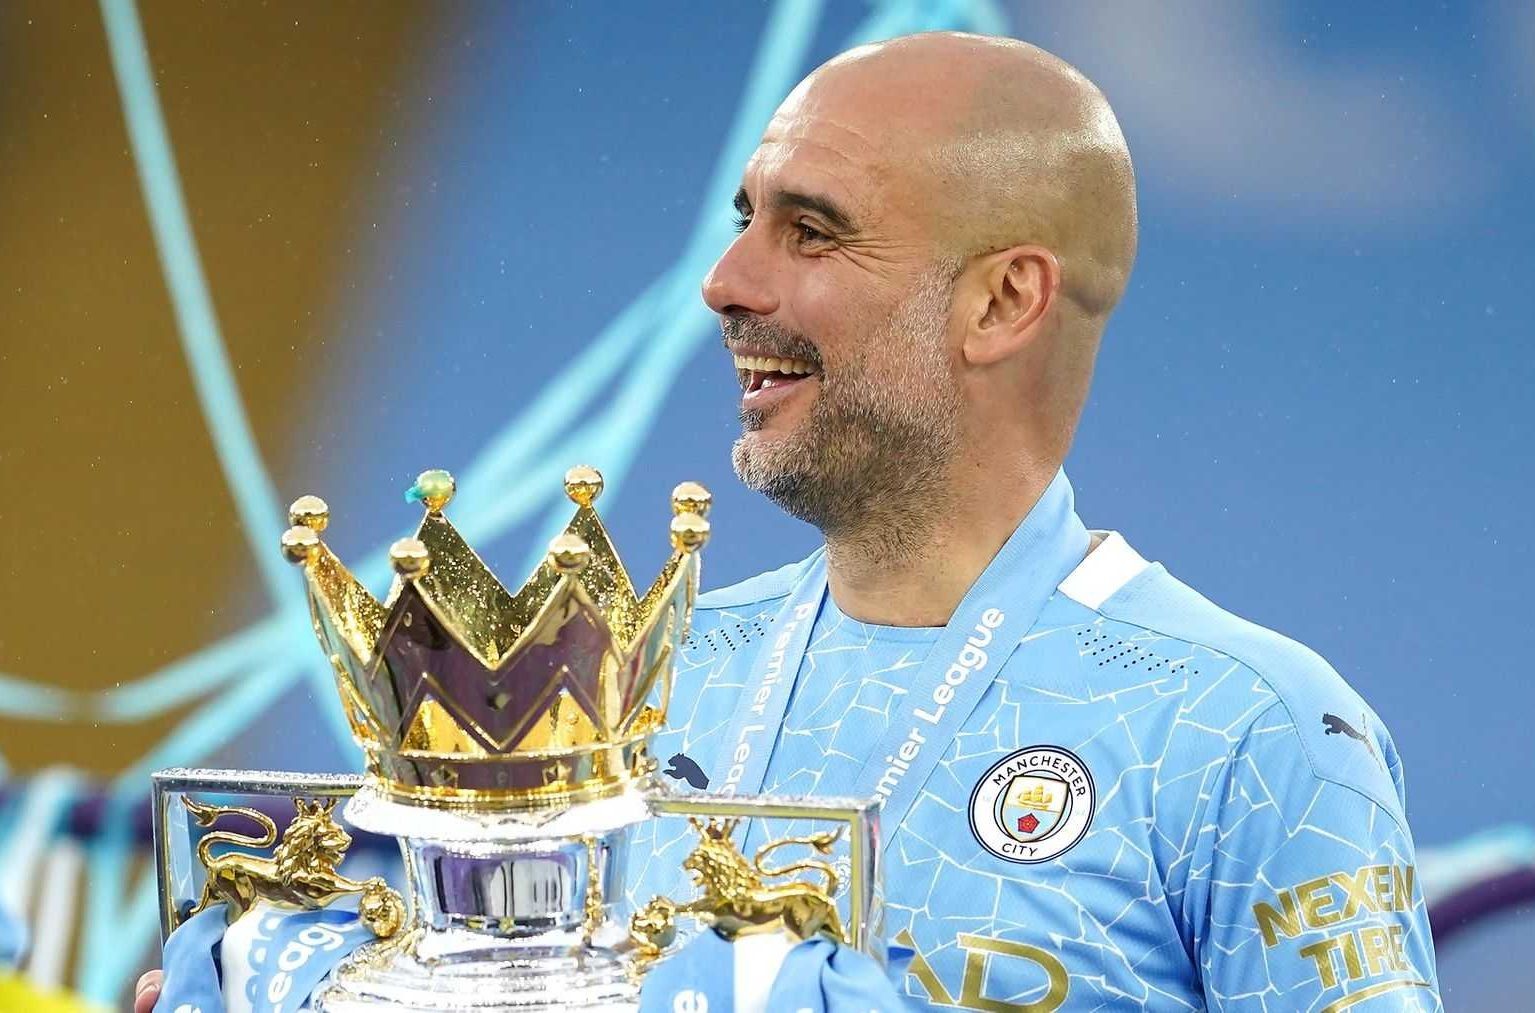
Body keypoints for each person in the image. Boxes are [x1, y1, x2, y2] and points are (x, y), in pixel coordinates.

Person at [137, 31, 1440, 1013]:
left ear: (1003, 303)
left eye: (812, 233)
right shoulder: (636, 688)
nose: (726, 282)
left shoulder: (1249, 734)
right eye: (745, 219)